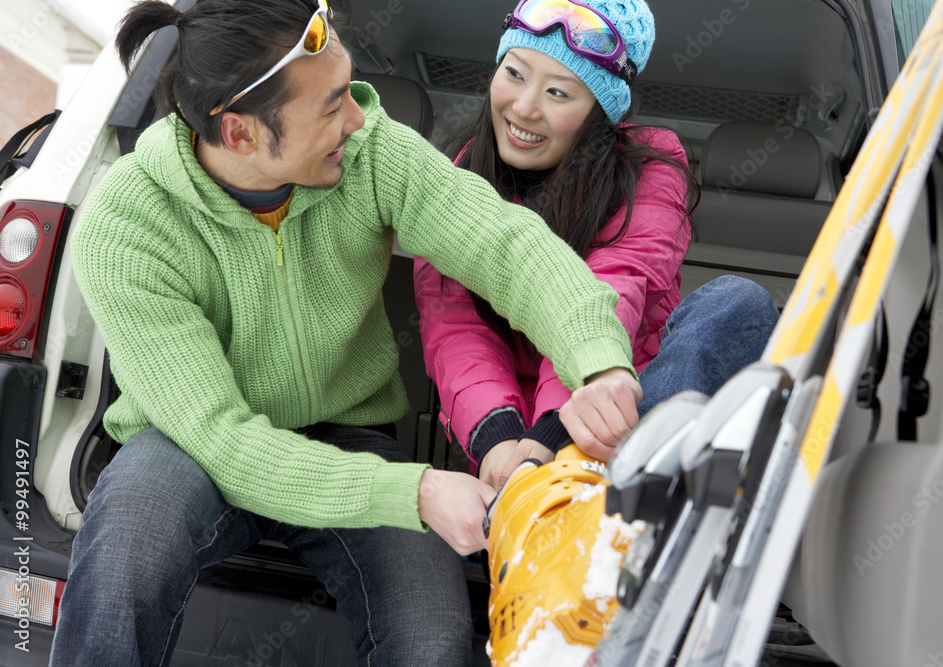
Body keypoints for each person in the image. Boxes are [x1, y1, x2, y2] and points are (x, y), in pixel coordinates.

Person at [51, 0, 647, 664]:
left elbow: (507, 247)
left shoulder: (371, 153)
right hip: (192, 449)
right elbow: (224, 440)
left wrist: (599, 362)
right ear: (242, 133)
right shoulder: (127, 226)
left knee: (434, 639)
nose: (359, 118)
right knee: (120, 563)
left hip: (350, 437)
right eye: (331, 105)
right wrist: (415, 492)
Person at [415, 0, 780, 490]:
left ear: (598, 113)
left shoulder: (649, 167)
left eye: (559, 92)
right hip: (508, 442)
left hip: (614, 408)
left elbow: (609, 290)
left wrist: (556, 432)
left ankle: (635, 487)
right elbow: (454, 322)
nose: (524, 107)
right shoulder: (458, 176)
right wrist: (499, 442)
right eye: (515, 73)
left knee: (738, 303)